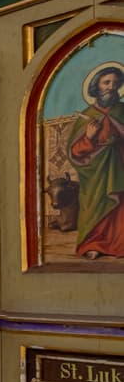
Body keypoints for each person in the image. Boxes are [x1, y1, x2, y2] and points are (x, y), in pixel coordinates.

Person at [69, 62, 124, 258]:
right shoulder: (87, 116)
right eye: (106, 82)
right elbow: (73, 152)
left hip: (121, 167)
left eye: (115, 83)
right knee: (95, 205)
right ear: (96, 86)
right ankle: (93, 244)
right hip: (96, 174)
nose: (111, 86)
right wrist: (89, 137)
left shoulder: (122, 111)